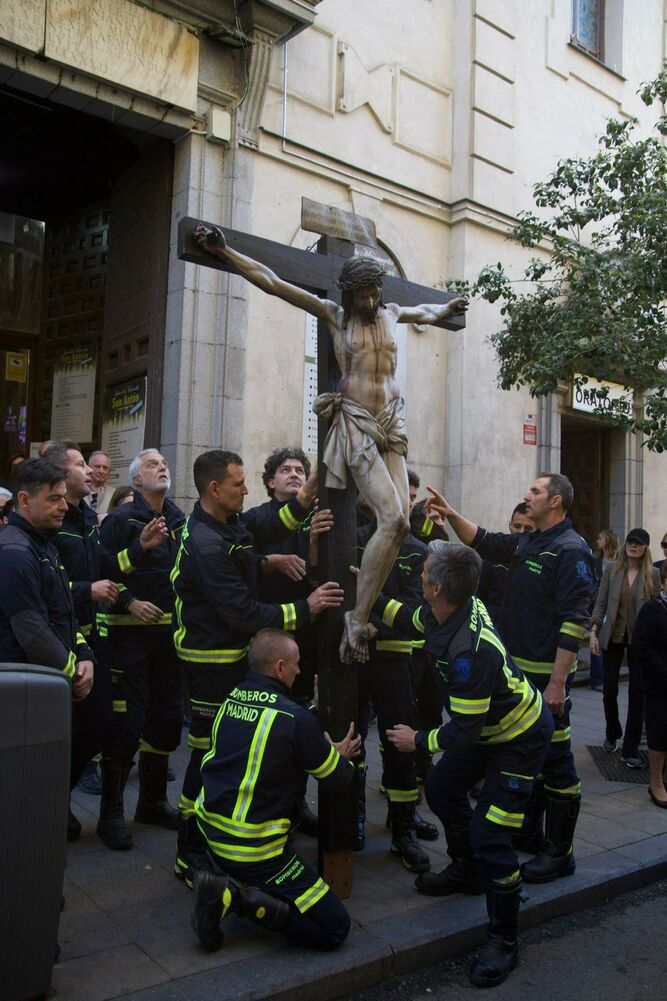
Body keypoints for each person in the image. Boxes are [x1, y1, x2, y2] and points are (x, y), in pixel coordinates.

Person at [194, 223, 467, 663]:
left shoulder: (392, 313)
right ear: (349, 294)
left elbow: (428, 314)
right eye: (362, 296)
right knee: (392, 517)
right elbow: (272, 281)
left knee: (401, 524)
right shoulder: (335, 316)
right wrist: (226, 253)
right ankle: (356, 618)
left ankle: (361, 610)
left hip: (391, 422)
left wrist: (448, 306)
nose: (370, 302)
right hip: (357, 423)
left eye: (374, 293)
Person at [383, 541, 553, 988]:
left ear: (437, 588)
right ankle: (468, 870)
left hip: (518, 738)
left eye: (424, 572)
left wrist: (417, 740)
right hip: (486, 730)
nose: (419, 573)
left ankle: (504, 938)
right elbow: (410, 617)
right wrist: (367, 588)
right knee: (441, 788)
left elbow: (462, 733)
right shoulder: (450, 607)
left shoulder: (470, 652)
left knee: (491, 834)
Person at [171, 449, 343, 887]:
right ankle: (189, 853)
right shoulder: (205, 544)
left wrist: (297, 509)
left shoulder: (225, 523)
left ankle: (228, 835)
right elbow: (243, 614)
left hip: (231, 657)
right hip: (212, 664)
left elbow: (259, 530)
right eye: (238, 484)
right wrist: (305, 608)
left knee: (230, 749)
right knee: (207, 754)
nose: (246, 490)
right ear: (215, 489)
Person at [427, 474, 595, 884]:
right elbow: (485, 541)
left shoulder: (570, 550)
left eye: (535, 491)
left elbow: (575, 621)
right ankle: (526, 835)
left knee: (557, 765)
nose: (526, 495)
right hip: (518, 680)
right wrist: (451, 515)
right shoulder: (530, 540)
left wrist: (557, 682)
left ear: (555, 501)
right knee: (533, 764)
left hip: (545, 682)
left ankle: (560, 852)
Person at [191, 628, 360, 952]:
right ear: (280, 667)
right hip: (254, 851)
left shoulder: (231, 699)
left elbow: (276, 734)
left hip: (211, 834)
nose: (299, 669)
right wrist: (341, 758)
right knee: (335, 928)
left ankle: (233, 881)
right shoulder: (295, 721)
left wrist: (312, 713)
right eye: (296, 663)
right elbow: (338, 779)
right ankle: (235, 898)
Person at [43, 441, 167, 836]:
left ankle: (54, 798)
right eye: (81, 464)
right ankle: (48, 805)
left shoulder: (83, 518)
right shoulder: (52, 523)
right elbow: (48, 586)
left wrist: (140, 548)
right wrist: (88, 590)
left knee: (96, 725)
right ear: (60, 474)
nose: (91, 471)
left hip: (91, 643)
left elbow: (105, 567)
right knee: (62, 731)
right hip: (57, 644)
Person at [97, 449, 185, 850]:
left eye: (164, 463)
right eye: (152, 464)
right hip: (128, 639)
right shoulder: (120, 521)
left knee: (165, 720)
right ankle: (111, 814)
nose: (161, 467)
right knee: (127, 724)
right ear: (136, 480)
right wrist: (129, 601)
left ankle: (152, 802)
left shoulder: (179, 520)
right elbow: (102, 572)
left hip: (169, 640)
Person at [0, 459, 96, 805]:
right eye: (54, 499)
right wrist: (72, 674)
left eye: (63, 497)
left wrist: (84, 654)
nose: (63, 506)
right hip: (28, 689)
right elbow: (32, 631)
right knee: (25, 789)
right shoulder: (15, 552)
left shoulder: (43, 545)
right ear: (25, 501)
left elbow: (63, 614)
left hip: (50, 682)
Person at [353, 490, 434, 870]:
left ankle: (403, 829)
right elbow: (343, 589)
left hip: (395, 658)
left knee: (400, 742)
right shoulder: (354, 538)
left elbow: (417, 607)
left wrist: (375, 627)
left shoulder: (417, 549)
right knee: (351, 739)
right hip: (352, 656)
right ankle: (352, 816)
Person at [590, 528, 660, 766]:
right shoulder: (612, 570)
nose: (633, 546)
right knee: (609, 689)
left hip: (641, 641)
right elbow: (600, 602)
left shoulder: (652, 574)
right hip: (614, 636)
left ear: (645, 548)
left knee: (637, 693)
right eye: (630, 541)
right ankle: (612, 732)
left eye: (638, 543)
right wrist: (594, 631)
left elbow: (656, 609)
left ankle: (630, 749)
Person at [631, 560, 667, 807]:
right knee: (659, 733)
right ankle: (656, 783)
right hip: (659, 684)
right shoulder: (652, 610)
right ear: (663, 582)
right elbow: (641, 647)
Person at [477, 502, 534, 624]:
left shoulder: (540, 561)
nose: (521, 532)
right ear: (509, 525)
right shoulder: (492, 558)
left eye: (528, 529)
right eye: (517, 526)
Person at [589, 529, 620, 691]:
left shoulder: (620, 561)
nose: (597, 541)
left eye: (600, 538)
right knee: (597, 638)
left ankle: (606, 677)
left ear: (608, 540)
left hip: (615, 605)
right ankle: (597, 679)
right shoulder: (595, 560)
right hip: (597, 604)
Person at [85, 450, 115, 516]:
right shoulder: (78, 490)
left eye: (105, 468)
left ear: (109, 471)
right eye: (97, 467)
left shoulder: (114, 494)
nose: (101, 471)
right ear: (89, 468)